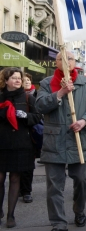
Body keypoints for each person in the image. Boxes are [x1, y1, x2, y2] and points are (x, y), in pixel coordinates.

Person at [36, 51, 86, 231]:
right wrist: (60, 93)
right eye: (61, 59)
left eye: (70, 59)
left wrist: (84, 121)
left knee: (81, 180)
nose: (66, 62)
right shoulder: (47, 83)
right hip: (54, 141)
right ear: (56, 62)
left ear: (75, 62)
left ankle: (79, 210)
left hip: (79, 140)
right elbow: (40, 105)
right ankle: (58, 222)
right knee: (54, 186)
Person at [0, 68, 42, 228]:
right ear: (5, 80)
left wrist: (26, 116)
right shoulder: (0, 96)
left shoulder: (27, 97)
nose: (18, 80)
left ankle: (11, 215)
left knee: (15, 178)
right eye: (14, 78)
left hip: (21, 144)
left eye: (19, 78)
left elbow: (38, 117)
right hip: (2, 143)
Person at [19, 73, 39, 203]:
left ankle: (26, 190)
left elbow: (38, 117)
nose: (25, 82)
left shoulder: (30, 97)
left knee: (27, 166)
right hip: (8, 137)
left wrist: (26, 117)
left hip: (27, 136)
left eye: (27, 80)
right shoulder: (4, 96)